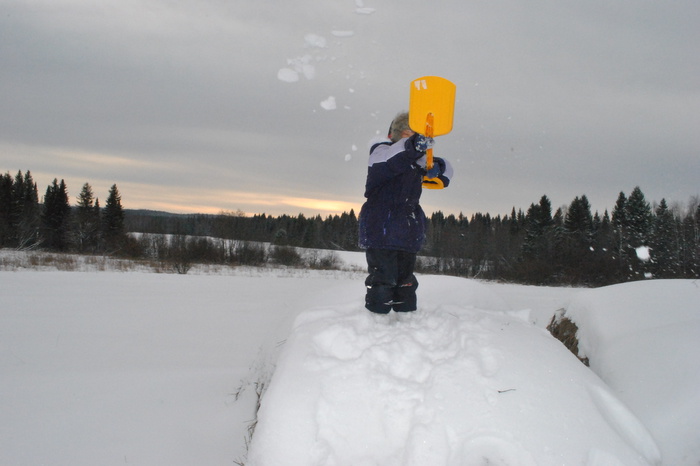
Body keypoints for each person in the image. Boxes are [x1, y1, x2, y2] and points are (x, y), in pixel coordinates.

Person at [358, 112, 453, 314]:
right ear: (395, 134)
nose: (410, 139)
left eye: (414, 135)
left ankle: (406, 319)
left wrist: (437, 167)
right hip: (381, 227)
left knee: (406, 281)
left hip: (408, 229)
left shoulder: (413, 157)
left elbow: (445, 170)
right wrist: (413, 146)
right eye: (406, 134)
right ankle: (376, 320)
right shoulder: (380, 153)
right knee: (383, 278)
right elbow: (393, 159)